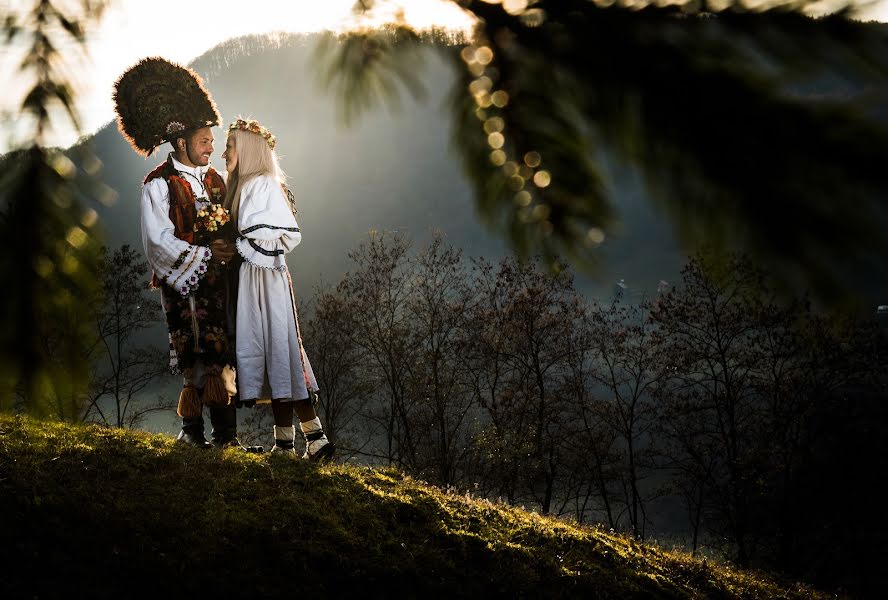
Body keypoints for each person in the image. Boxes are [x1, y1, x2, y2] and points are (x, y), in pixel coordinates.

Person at [112, 57, 255, 451]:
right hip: (184, 283)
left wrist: (233, 246)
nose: (212, 145)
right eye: (205, 139)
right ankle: (192, 432)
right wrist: (206, 256)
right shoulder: (157, 185)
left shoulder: (215, 180)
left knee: (222, 349)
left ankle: (226, 436)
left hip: (219, 282)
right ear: (181, 142)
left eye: (212, 139)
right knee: (193, 351)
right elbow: (157, 242)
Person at [222, 117, 335, 461]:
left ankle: (312, 440)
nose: (224, 152)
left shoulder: (263, 186)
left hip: (265, 282)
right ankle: (290, 443)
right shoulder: (245, 186)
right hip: (253, 281)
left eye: (230, 145)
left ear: (247, 150)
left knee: (280, 352)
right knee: (274, 356)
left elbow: (279, 236)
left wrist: (236, 246)